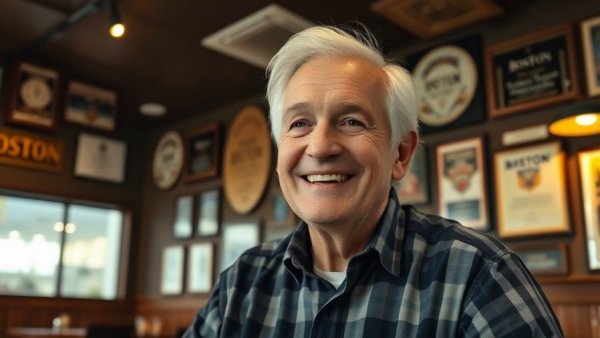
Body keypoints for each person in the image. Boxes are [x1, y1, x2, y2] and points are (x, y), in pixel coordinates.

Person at [183, 24, 563, 337]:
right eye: (299, 123)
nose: (320, 146)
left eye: (351, 121)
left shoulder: (478, 275)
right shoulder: (240, 284)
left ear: (400, 154)